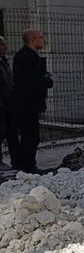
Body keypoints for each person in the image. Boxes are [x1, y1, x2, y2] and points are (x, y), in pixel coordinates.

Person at [10, 29, 53, 173]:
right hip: (28, 105)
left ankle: (26, 164)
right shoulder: (28, 58)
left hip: (27, 104)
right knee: (30, 136)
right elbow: (34, 80)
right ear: (32, 39)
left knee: (30, 135)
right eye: (41, 37)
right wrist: (46, 79)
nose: (43, 40)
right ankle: (28, 166)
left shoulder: (26, 56)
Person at [0, 36, 13, 171]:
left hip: (4, 103)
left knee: (2, 132)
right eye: (2, 45)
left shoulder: (4, 62)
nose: (5, 48)